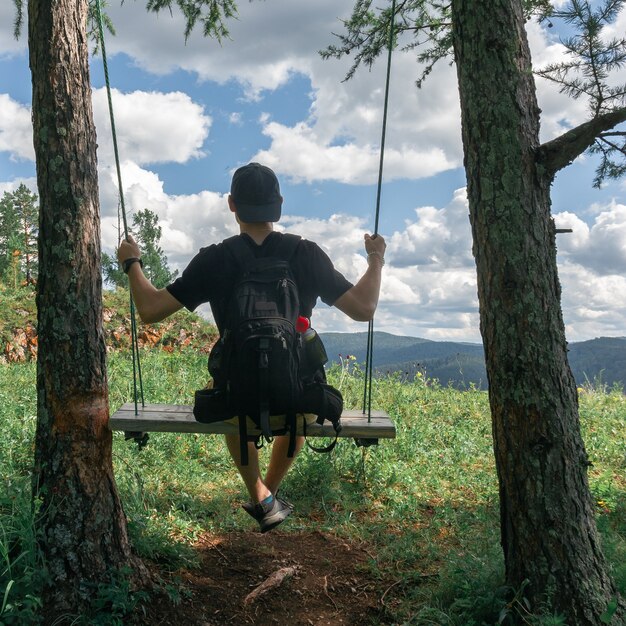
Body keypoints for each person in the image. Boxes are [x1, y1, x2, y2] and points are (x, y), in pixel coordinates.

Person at [118, 162, 386, 532]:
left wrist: (132, 263)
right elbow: (363, 309)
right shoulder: (305, 253)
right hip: (297, 400)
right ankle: (268, 495)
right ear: (279, 204)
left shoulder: (215, 258)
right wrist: (375, 258)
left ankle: (261, 494)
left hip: (234, 400)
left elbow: (149, 310)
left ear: (232, 204)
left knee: (226, 388)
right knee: (302, 384)